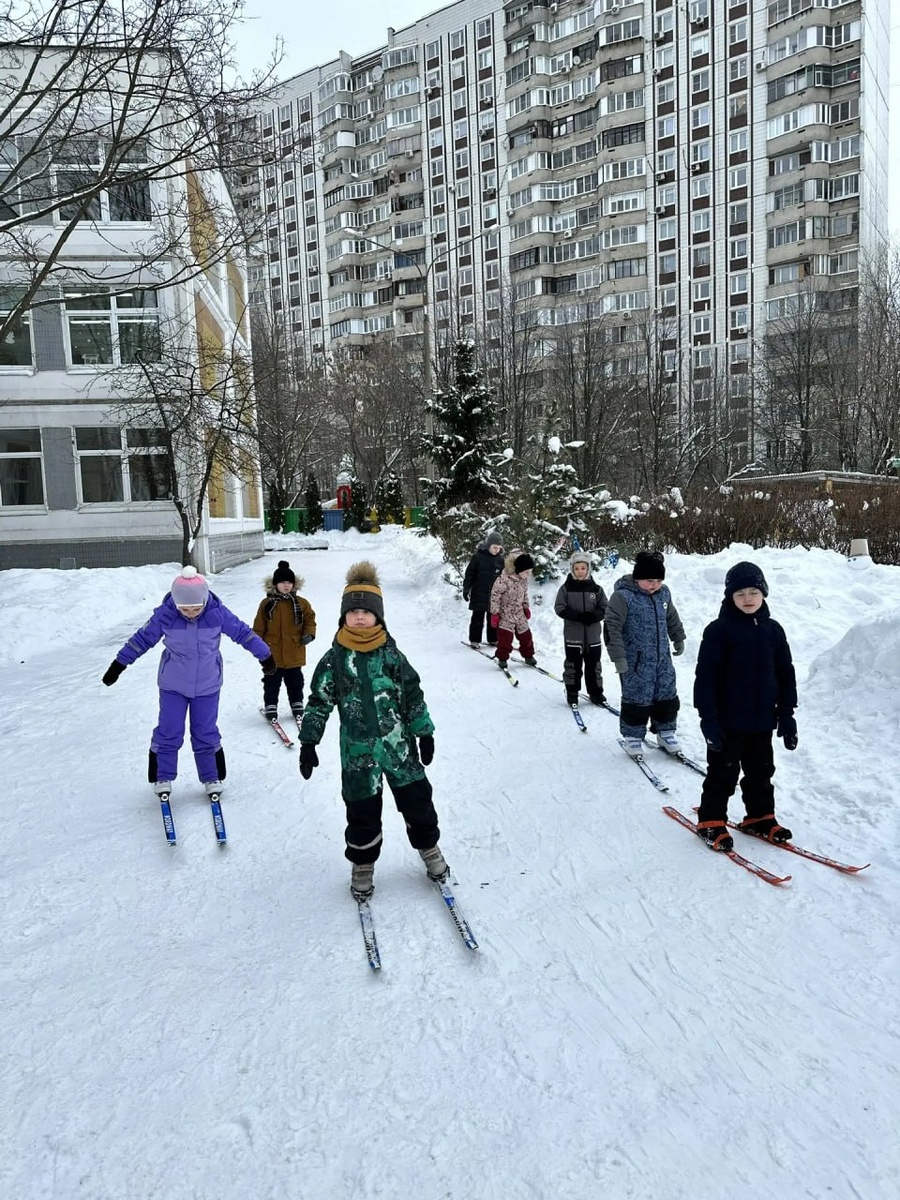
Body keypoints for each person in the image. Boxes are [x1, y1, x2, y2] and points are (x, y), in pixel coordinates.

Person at [297, 562, 447, 900]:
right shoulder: (334, 660)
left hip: (400, 749)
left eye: (366, 611)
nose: (360, 617)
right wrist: (309, 741)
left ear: (378, 616)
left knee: (418, 802)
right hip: (357, 754)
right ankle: (363, 863)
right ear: (343, 617)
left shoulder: (392, 656)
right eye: (353, 612)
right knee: (361, 812)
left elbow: (412, 694)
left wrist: (424, 731)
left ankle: (429, 848)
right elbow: (319, 701)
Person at [101, 566, 276, 795]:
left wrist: (265, 655)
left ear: (204, 601)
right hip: (173, 685)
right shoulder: (166, 615)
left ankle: (212, 776)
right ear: (176, 603)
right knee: (169, 729)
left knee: (205, 730)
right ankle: (162, 776)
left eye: (196, 608)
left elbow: (243, 633)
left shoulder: (217, 613)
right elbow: (141, 639)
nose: (191, 613)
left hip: (208, 685)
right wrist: (119, 664)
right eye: (184, 609)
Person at [693, 561, 797, 851]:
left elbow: (785, 674)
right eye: (740, 594)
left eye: (753, 592)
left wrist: (787, 715)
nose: (747, 598)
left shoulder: (773, 631)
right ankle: (710, 820)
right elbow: (706, 678)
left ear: (763, 593)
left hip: (762, 721)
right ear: (730, 597)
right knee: (722, 774)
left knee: (761, 772)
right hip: (727, 722)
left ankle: (760, 817)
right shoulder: (718, 631)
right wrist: (708, 719)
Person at [604, 549, 686, 757]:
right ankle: (632, 737)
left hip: (662, 658)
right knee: (637, 697)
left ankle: (665, 732)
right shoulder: (623, 597)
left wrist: (678, 637)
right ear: (637, 577)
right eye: (650, 580)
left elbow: (671, 617)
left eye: (658, 580)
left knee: (666, 694)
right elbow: (612, 628)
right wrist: (618, 657)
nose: (654, 585)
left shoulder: (664, 594)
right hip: (635, 661)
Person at [252, 559, 317, 721]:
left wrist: (309, 634)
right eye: (282, 583)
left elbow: (310, 621)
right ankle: (271, 706)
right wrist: (257, 645)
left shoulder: (301, 603)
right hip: (272, 652)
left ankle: (297, 704)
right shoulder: (267, 604)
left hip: (294, 650)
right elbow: (259, 626)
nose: (286, 586)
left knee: (296, 682)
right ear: (275, 584)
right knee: (271, 682)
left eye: (289, 582)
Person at [554, 551, 608, 706]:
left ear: (588, 569)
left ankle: (596, 693)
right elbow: (559, 608)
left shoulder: (596, 589)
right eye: (576, 568)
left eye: (583, 568)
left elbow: (605, 607)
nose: (580, 572)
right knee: (573, 666)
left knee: (594, 666)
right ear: (572, 569)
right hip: (573, 637)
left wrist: (594, 616)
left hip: (593, 637)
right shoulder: (566, 589)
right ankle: (572, 692)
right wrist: (577, 616)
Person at [489, 551, 537, 668]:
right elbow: (495, 596)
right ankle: (502, 658)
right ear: (519, 570)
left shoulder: (523, 581)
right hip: (506, 614)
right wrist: (495, 613)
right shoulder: (504, 579)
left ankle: (528, 656)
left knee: (526, 636)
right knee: (505, 638)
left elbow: (524, 595)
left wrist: (526, 607)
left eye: (530, 572)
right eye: (526, 572)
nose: (528, 575)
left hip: (519, 613)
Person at [462, 531, 504, 646]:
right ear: (489, 545)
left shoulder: (500, 560)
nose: (497, 550)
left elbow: (504, 578)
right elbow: (470, 574)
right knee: (477, 619)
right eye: (494, 547)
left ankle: (493, 638)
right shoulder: (478, 557)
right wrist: (466, 589)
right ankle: (475, 640)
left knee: (493, 618)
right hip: (478, 593)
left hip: (494, 595)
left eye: (499, 548)